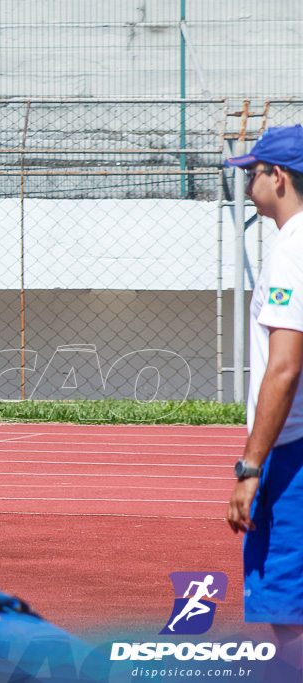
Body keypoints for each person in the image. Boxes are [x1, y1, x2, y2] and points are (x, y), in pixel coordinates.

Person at [225, 125, 303, 671]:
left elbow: (284, 366)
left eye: (253, 172)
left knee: (287, 607)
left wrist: (251, 467)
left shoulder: (292, 250)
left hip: (293, 451)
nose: (248, 181)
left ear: (279, 177)